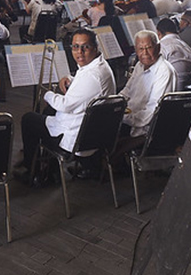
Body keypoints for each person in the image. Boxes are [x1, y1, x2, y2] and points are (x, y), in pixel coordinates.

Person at [17, 29, 116, 178]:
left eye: (85, 47)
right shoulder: (100, 66)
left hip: (78, 139)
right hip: (95, 133)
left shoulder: (91, 75)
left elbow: (65, 105)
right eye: (75, 47)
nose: (79, 52)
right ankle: (50, 168)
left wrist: (48, 94)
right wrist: (70, 78)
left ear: (95, 48)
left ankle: (33, 172)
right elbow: (85, 84)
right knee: (48, 112)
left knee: (29, 119)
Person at [118, 30, 178, 141]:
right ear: (136, 50)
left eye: (149, 47)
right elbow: (127, 90)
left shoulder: (164, 71)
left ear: (158, 47)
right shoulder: (140, 65)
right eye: (140, 49)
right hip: (129, 118)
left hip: (143, 130)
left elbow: (152, 111)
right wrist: (114, 104)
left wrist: (123, 118)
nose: (144, 53)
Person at [155, 18, 191, 86]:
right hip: (189, 89)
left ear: (159, 33)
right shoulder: (186, 45)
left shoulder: (162, 46)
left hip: (171, 90)